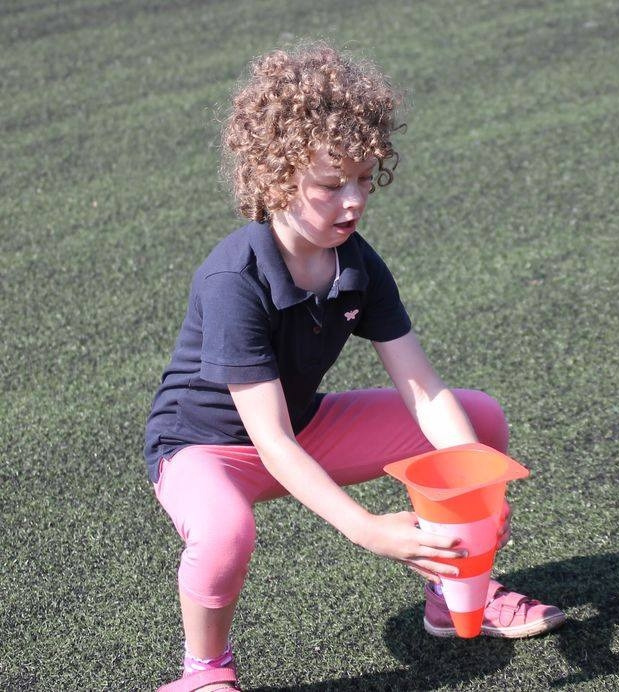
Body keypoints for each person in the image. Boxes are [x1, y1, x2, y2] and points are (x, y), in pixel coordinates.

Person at [145, 41, 565, 692]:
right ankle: (205, 672)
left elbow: (424, 390)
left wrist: (476, 491)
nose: (354, 201)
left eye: (365, 179)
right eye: (331, 184)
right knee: (225, 531)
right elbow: (269, 441)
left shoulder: (356, 263)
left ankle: (455, 592)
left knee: (476, 421)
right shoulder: (235, 279)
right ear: (275, 177)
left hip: (302, 427)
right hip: (204, 450)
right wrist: (366, 528)